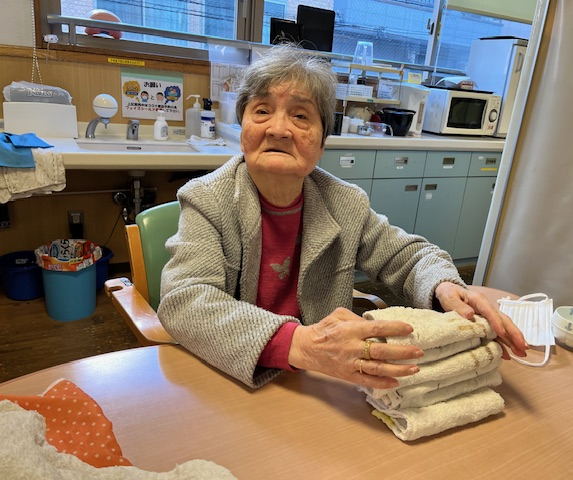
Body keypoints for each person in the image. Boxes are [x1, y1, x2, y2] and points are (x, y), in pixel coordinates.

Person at [157, 45, 527, 389]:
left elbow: (408, 257)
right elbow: (184, 300)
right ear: (243, 131)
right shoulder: (208, 198)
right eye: (262, 111)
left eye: (300, 116)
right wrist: (303, 344)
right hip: (236, 376)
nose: (278, 129)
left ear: (321, 144)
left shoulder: (344, 202)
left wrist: (443, 285)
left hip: (322, 382)